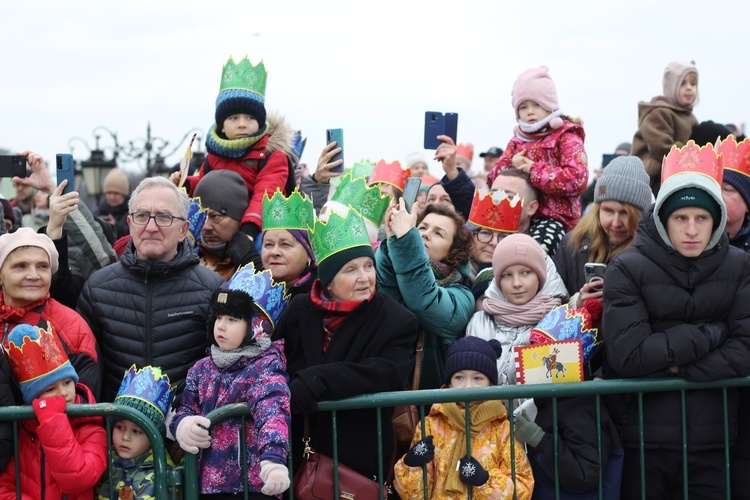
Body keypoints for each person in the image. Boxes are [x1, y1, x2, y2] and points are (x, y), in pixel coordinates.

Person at [602, 141, 750, 498]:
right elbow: (629, 356)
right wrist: (710, 334)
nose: (692, 230)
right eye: (681, 218)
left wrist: (675, 368)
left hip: (715, 444)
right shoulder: (626, 268)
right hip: (644, 442)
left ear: (715, 220)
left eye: (702, 218)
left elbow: (745, 348)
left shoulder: (739, 265)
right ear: (663, 219)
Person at [273, 207, 418, 481]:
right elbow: (275, 361)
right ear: (328, 281)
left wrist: (318, 379)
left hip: (356, 460)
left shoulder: (396, 319)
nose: (364, 278)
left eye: (368, 265)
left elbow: (387, 373)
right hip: (298, 452)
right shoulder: (299, 309)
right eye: (350, 269)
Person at [77, 176, 225, 402]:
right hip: (116, 430)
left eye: (164, 217)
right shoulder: (98, 288)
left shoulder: (212, 289)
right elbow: (86, 372)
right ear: (130, 224)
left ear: (183, 229)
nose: (152, 227)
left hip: (186, 431)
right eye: (142, 216)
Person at [173, 265, 291, 499]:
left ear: (257, 327)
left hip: (251, 485)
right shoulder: (201, 368)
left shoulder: (265, 367)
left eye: (233, 319)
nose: (221, 326)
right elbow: (186, 407)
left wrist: (274, 460)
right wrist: (182, 425)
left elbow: (273, 411)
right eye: (218, 317)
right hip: (206, 484)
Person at [393, 336, 534, 499]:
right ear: (449, 383)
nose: (468, 386)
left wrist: (484, 480)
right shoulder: (431, 425)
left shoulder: (503, 429)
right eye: (459, 377)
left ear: (490, 384)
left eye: (478, 378)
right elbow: (414, 496)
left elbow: (524, 489)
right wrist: (411, 466)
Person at [173, 57, 295, 240]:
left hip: (260, 231)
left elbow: (265, 195)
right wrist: (187, 184)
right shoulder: (214, 156)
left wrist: (249, 231)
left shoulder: (272, 157)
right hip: (219, 229)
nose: (242, 125)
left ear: (261, 123)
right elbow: (209, 186)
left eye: (250, 118)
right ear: (221, 125)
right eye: (233, 118)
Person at [514, 303, 624, 499]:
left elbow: (585, 474)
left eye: (540, 351)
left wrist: (539, 439)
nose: (532, 358)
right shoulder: (558, 400)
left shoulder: (579, 408)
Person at [0, 322, 107, 498]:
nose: (64, 393)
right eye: (50, 389)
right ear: (34, 399)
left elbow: (78, 479)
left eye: (67, 383)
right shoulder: (23, 431)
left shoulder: (92, 428)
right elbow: (4, 485)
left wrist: (53, 421)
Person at [377, 201, 474, 389]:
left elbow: (423, 298)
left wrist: (406, 240)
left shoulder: (462, 295)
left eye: (438, 233)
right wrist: (391, 244)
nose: (425, 234)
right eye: (421, 227)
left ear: (453, 250)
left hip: (431, 408)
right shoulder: (403, 260)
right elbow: (387, 289)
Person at [0, 226, 100, 399]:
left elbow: (85, 408)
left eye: (42, 267)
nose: (33, 275)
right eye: (20, 266)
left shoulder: (72, 327)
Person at [488, 65, 588, 232]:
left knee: (537, 251)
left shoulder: (567, 136)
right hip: (514, 217)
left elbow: (577, 179)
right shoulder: (517, 141)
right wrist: (511, 165)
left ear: (549, 106)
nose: (530, 112)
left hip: (556, 219)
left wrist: (533, 170)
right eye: (523, 107)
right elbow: (493, 180)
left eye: (536, 105)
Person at [466, 233, 564, 389]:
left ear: (540, 276)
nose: (517, 283)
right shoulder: (480, 321)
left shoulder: (559, 322)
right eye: (507, 275)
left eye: (526, 272)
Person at [554, 156, 652, 309]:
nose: (616, 223)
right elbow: (550, 305)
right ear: (597, 209)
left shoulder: (651, 252)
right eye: (608, 211)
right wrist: (576, 304)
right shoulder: (571, 244)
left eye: (625, 213)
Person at [98, 365, 176, 500]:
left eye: (136, 431)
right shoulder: (105, 460)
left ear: (153, 436)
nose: (126, 437)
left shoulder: (161, 472)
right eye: (120, 427)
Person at [631, 60, 699, 195]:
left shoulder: (689, 117)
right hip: (652, 176)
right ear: (671, 86)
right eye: (682, 84)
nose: (689, 88)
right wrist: (692, 152)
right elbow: (661, 147)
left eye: (693, 84)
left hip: (676, 171)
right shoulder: (659, 112)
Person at [192, 169, 263, 279]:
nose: (206, 227)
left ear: (239, 216)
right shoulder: (186, 259)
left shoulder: (268, 259)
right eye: (201, 218)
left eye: (215, 217)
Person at [491, 169, 566, 257]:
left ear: (531, 208)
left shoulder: (544, 239)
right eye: (493, 195)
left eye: (509, 197)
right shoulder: (475, 233)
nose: (498, 201)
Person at [260, 189, 317, 298]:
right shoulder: (249, 290)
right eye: (269, 245)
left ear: (309, 253)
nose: (274, 252)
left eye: (285, 244)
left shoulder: (319, 295)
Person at [95, 168, 131, 239]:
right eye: (109, 193)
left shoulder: (133, 213)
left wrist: (115, 227)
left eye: (116, 193)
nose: (112, 197)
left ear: (124, 195)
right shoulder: (98, 213)